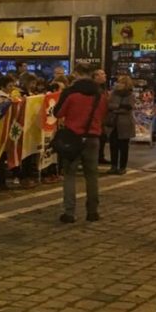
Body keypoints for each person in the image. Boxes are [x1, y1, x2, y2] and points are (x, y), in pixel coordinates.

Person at [56, 63, 108, 224]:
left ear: (76, 74)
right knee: (92, 176)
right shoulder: (100, 96)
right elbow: (104, 115)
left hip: (73, 138)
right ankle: (93, 211)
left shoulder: (72, 95)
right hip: (93, 138)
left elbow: (58, 113)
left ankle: (69, 212)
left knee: (70, 175)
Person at [106, 75, 135, 175]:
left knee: (123, 147)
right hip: (113, 123)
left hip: (125, 124)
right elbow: (108, 105)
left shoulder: (130, 95)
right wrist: (120, 106)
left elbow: (128, 108)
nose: (119, 84)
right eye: (119, 82)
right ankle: (113, 166)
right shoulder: (113, 93)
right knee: (113, 146)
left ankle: (122, 167)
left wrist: (116, 108)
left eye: (122, 83)